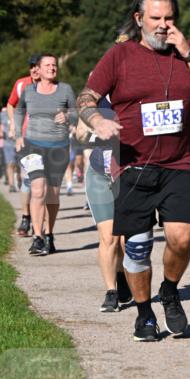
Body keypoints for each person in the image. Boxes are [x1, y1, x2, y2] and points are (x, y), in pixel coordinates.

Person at [77, 0, 190, 342]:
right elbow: (87, 97)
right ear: (138, 19)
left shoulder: (187, 53)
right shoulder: (119, 56)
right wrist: (96, 120)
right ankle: (144, 313)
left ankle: (170, 290)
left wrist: (187, 51)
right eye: (155, 18)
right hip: (134, 165)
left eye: (169, 18)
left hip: (179, 162)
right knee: (138, 247)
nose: (163, 25)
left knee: (182, 237)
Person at [15, 55, 77, 256]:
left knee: (52, 194)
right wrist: (17, 135)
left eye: (54, 65)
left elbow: (77, 112)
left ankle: (49, 235)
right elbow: (18, 110)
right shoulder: (29, 91)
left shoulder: (65, 89)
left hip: (58, 147)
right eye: (47, 65)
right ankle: (38, 237)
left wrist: (68, 116)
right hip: (33, 145)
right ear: (38, 71)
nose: (52, 68)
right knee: (38, 188)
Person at [77, 96, 132, 314]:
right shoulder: (96, 100)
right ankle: (111, 292)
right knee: (109, 237)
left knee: (125, 240)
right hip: (100, 174)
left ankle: (121, 274)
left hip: (127, 174)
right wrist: (96, 132)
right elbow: (80, 134)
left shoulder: (133, 94)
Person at [7, 54, 42, 236]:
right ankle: (26, 217)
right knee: (28, 177)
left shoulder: (52, 85)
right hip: (26, 138)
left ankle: (39, 223)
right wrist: (13, 124)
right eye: (32, 66)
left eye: (37, 66)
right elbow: (11, 104)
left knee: (43, 182)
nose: (35, 69)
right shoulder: (21, 84)